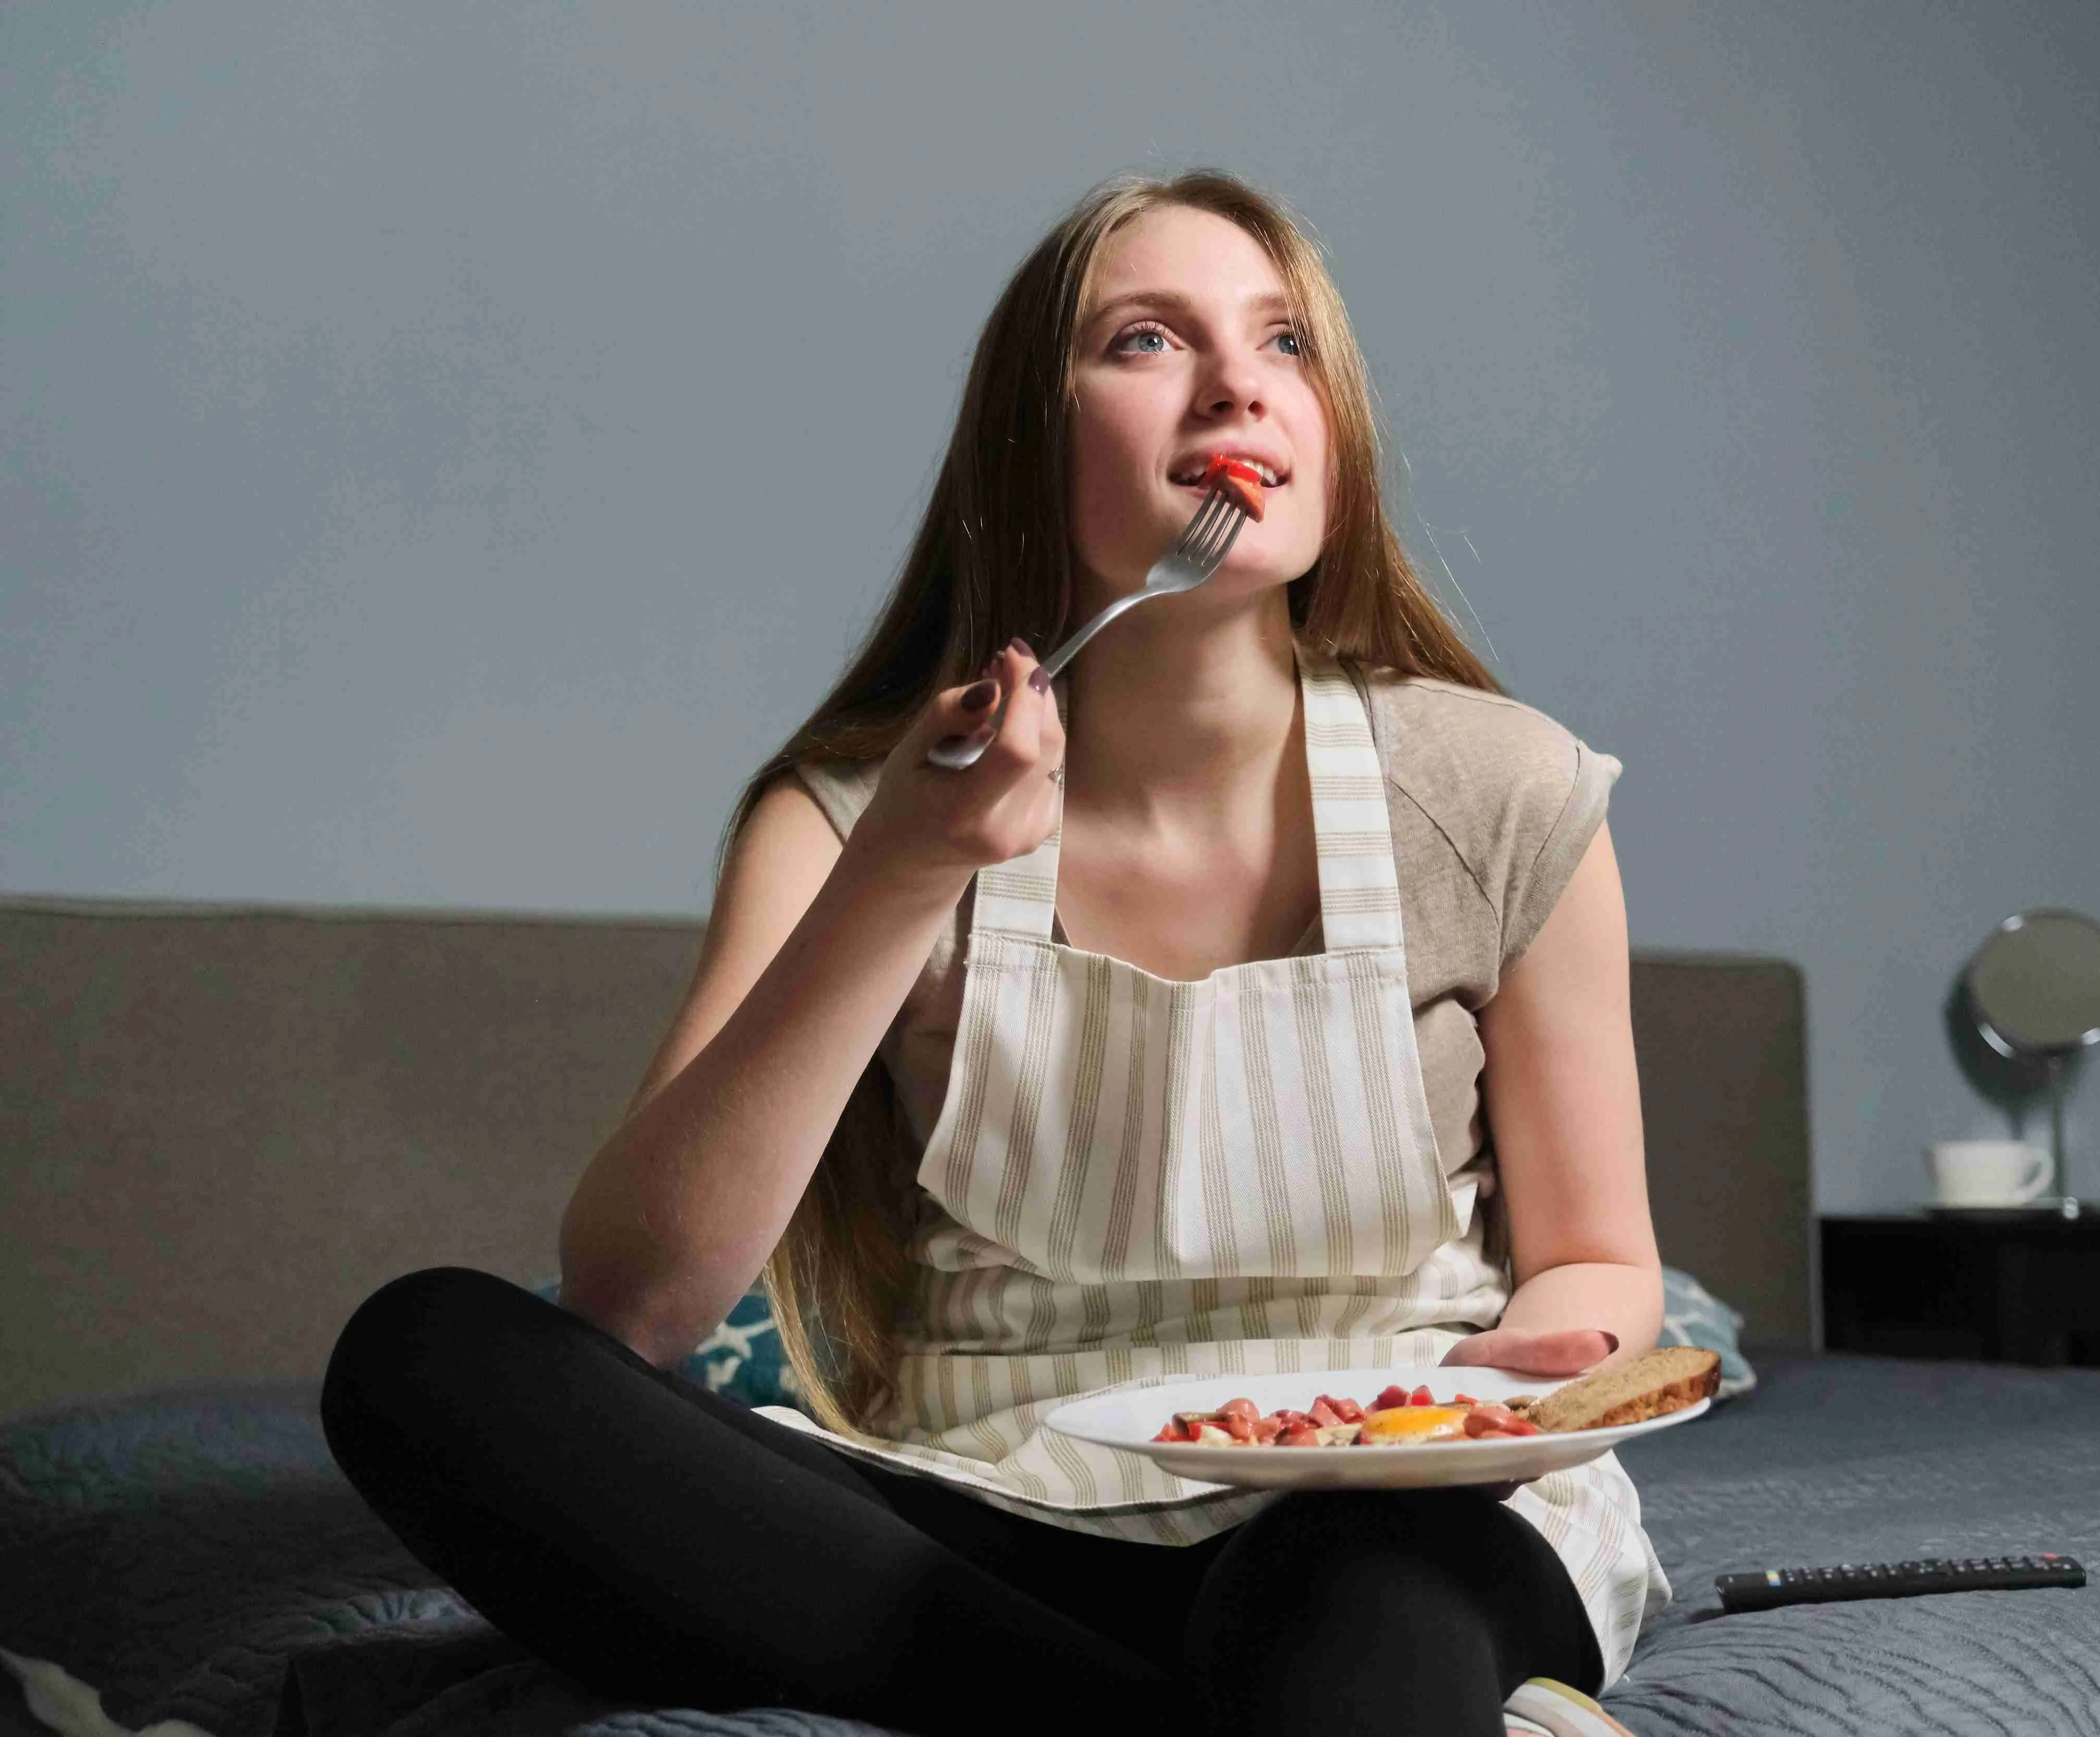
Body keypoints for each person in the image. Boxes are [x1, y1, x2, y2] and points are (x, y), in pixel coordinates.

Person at [322, 168, 1665, 1737]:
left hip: (1385, 1493)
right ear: (1029, 445)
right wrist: (903, 872)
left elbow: (1600, 1258)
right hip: (990, 1505)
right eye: (1148, 340)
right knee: (425, 1357)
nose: (1240, 380)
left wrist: (1520, 1375)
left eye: (1287, 341)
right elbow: (631, 1296)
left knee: (1339, 1599)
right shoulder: (851, 814)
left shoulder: (1506, 789)